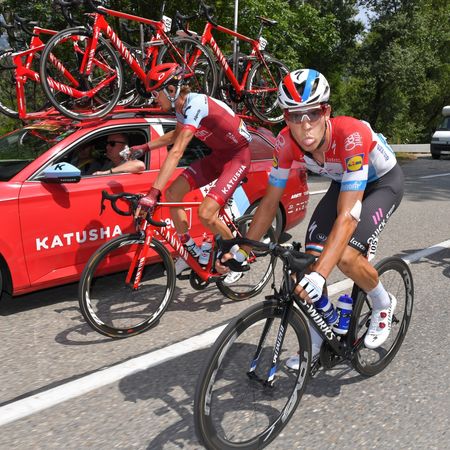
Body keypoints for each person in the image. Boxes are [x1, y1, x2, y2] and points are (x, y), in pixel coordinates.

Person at [219, 68, 404, 359]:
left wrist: (321, 274)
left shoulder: (351, 135)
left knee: (345, 257)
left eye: (313, 113)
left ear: (326, 111)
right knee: (305, 263)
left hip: (382, 184)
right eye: (295, 115)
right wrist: (243, 250)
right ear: (285, 117)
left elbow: (348, 216)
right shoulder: (284, 143)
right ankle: (319, 337)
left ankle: (382, 302)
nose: (305, 125)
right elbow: (269, 203)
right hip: (344, 182)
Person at [132, 63, 252, 280]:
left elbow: (177, 151)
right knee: (172, 194)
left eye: (156, 94)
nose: (154, 100)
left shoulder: (196, 104)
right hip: (218, 156)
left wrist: (153, 192)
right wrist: (145, 147)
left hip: (237, 157)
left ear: (171, 90)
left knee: (206, 214)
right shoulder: (181, 109)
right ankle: (190, 250)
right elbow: (175, 136)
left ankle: (236, 259)